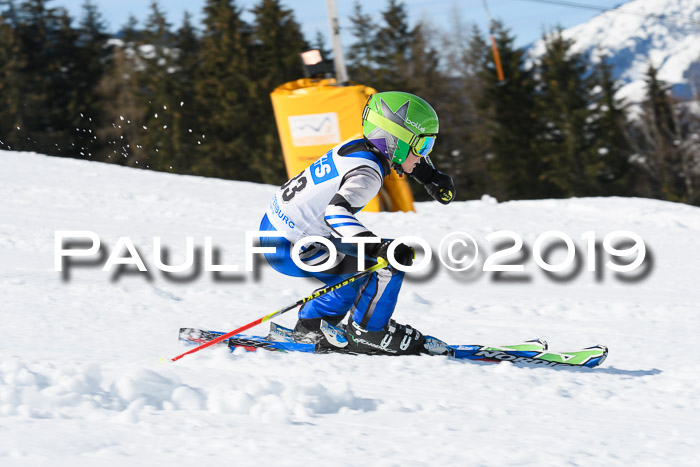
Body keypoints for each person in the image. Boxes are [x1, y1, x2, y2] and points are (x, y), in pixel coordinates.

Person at [258, 91, 455, 355]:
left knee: (355, 267)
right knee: (387, 262)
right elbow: (335, 213)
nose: (424, 155)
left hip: (278, 231)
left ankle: (312, 326)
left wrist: (428, 175)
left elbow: (400, 156)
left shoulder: (359, 147)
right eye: (422, 147)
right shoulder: (368, 174)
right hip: (291, 246)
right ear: (395, 142)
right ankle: (370, 333)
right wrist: (377, 248)